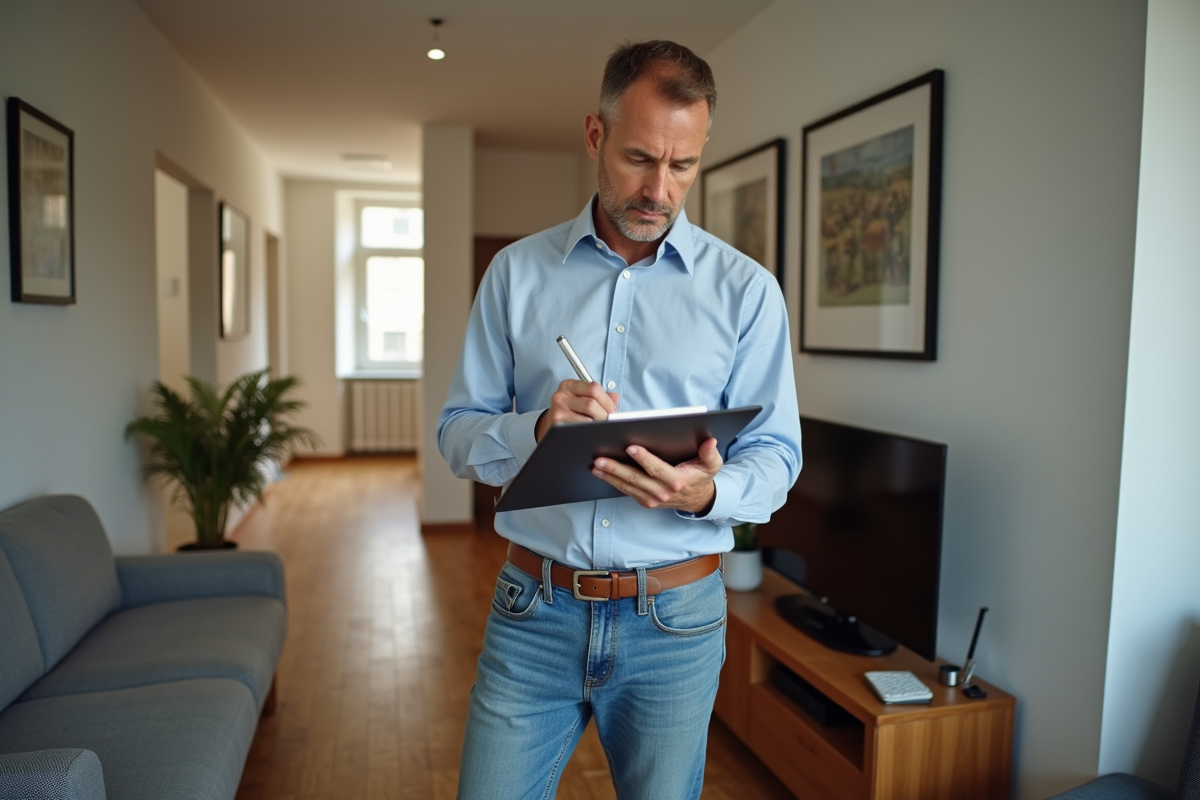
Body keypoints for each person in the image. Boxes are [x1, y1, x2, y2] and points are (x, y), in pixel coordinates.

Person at [438, 39, 802, 800]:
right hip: (532, 611)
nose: (659, 190)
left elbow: (776, 454)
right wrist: (535, 429)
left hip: (676, 620)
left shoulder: (748, 293)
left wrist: (703, 494)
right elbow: (457, 431)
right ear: (596, 136)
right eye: (640, 159)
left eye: (683, 166)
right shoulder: (515, 273)